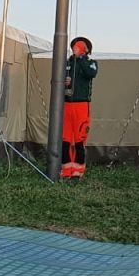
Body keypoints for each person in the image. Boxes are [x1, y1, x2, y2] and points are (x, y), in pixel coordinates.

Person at [62, 37, 99, 180]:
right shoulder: (67, 63)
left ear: (87, 50)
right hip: (66, 104)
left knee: (79, 139)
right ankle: (65, 170)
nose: (76, 48)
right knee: (65, 139)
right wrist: (63, 81)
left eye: (80, 46)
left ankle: (78, 172)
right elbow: (55, 80)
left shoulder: (91, 63)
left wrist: (81, 57)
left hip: (81, 105)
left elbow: (91, 74)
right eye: (75, 46)